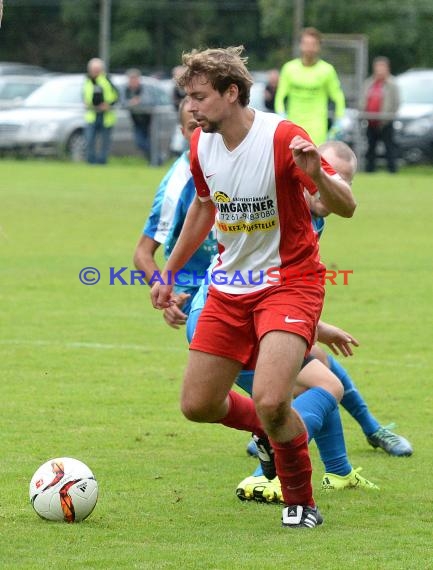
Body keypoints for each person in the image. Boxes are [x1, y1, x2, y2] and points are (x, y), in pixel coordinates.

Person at [151, 46, 356, 530]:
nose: (192, 108)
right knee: (198, 405)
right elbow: (204, 206)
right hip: (229, 286)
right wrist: (169, 272)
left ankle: (301, 502)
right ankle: (274, 433)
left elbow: (343, 206)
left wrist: (316, 179)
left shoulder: (283, 137)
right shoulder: (202, 145)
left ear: (231, 92)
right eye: (188, 97)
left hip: (290, 284)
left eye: (200, 97)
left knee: (270, 398)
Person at [134, 98, 217, 319]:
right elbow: (142, 253)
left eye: (204, 125)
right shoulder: (175, 188)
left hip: (245, 279)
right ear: (182, 133)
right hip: (197, 291)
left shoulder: (231, 164)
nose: (200, 134)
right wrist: (165, 291)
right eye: (192, 128)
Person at [274, 27, 346, 145]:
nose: (309, 48)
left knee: (315, 162)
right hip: (293, 128)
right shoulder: (289, 68)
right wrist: (281, 117)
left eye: (313, 44)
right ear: (300, 45)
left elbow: (338, 98)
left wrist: (339, 122)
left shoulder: (327, 70)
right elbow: (280, 97)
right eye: (306, 43)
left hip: (317, 130)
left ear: (319, 47)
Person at [360, 56, 400, 173]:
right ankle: (369, 170)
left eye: (382, 67)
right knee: (370, 147)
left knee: (389, 147)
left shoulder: (392, 84)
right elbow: (363, 99)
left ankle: (392, 170)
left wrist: (387, 117)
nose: (380, 70)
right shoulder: (369, 83)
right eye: (378, 67)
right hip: (371, 121)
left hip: (386, 122)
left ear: (387, 68)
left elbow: (396, 103)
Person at [83, 58, 119, 165]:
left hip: (105, 117)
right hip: (91, 115)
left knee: (104, 142)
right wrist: (86, 102)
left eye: (97, 69)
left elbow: (116, 96)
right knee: (89, 140)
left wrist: (108, 104)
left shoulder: (107, 80)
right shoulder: (87, 81)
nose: (95, 72)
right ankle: (91, 161)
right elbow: (84, 95)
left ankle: (102, 162)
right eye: (93, 69)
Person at [124, 69, 152, 162]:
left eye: (134, 79)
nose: (133, 81)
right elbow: (122, 103)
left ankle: (155, 160)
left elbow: (150, 101)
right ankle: (154, 159)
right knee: (140, 143)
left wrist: (139, 102)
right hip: (136, 121)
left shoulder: (145, 89)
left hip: (149, 121)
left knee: (148, 142)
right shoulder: (126, 90)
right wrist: (131, 103)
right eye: (131, 79)